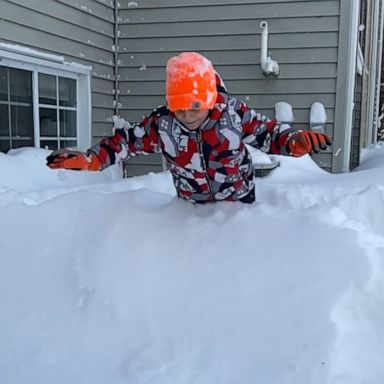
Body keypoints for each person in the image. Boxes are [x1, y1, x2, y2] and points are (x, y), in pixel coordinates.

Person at [47, 51, 332, 203]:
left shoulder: (232, 115)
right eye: (178, 105)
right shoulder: (164, 124)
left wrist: (293, 140)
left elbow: (268, 133)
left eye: (194, 105)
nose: (185, 113)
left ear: (208, 98)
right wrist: (92, 158)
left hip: (239, 209)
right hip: (190, 211)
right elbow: (126, 142)